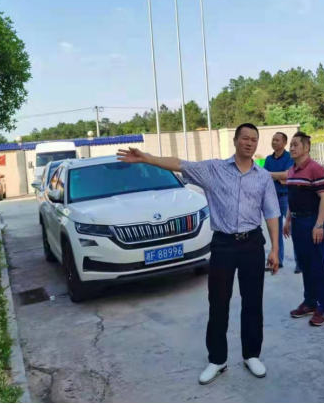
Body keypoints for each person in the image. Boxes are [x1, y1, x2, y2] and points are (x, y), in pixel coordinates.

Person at [118, 124, 282, 386]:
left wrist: (274, 249)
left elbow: (272, 212)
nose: (249, 143)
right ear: (235, 140)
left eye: (254, 139)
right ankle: (217, 359)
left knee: (253, 302)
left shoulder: (262, 176)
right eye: (245, 138)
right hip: (223, 244)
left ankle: (252, 355)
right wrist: (146, 158)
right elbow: (179, 164)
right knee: (218, 302)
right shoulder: (213, 169)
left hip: (252, 243)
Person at [283, 132, 324, 327]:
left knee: (318, 265)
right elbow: (292, 199)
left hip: (312, 222)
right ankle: (310, 302)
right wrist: (288, 220)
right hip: (297, 223)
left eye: (296, 144)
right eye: (291, 145)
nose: (292, 148)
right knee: (304, 264)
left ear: (306, 147)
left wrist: (319, 224)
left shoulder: (316, 169)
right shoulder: (292, 171)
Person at [264, 133, 298, 272]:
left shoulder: (289, 157)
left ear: (284, 143)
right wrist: (280, 176)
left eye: (277, 140)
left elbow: (288, 175)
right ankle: (277, 260)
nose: (274, 142)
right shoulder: (268, 159)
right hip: (272, 198)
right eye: (273, 140)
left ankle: (300, 262)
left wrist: (272, 175)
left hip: (286, 197)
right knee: (275, 231)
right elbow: (264, 177)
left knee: (294, 229)